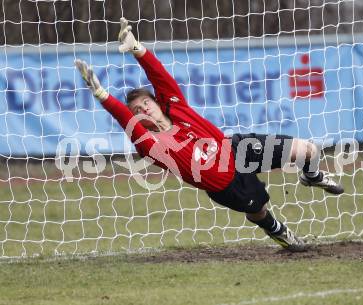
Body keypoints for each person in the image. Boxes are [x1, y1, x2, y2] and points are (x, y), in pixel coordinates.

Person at [75, 18, 344, 252]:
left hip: (237, 148)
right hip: (225, 184)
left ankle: (312, 176)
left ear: (156, 102)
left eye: (146, 102)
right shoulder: (154, 146)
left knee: (308, 150)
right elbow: (125, 119)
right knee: (259, 209)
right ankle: (277, 231)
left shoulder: (176, 107)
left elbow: (160, 76)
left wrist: (137, 49)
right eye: (137, 110)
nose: (143, 108)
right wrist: (103, 96)